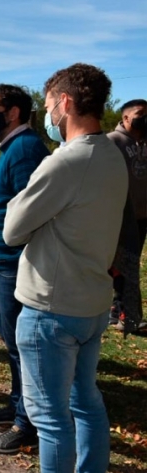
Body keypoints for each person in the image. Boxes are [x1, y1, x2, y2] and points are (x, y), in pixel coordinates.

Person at [3, 63, 127, 473]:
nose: (47, 115)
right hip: (91, 303)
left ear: (66, 102)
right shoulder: (113, 153)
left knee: (51, 420)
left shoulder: (65, 163)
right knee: (86, 402)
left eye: (48, 105)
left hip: (50, 308)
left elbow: (12, 229)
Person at [0, 84, 48, 454]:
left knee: (22, 348)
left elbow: (31, 213)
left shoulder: (24, 150)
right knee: (13, 344)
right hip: (2, 266)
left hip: (12, 266)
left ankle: (27, 423)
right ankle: (17, 404)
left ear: (13, 112)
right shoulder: (14, 148)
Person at [107, 99, 147, 332]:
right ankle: (129, 317)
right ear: (125, 118)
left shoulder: (144, 141)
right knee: (126, 265)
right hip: (122, 216)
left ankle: (116, 310)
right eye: (140, 114)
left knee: (123, 265)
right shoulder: (113, 142)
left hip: (142, 216)